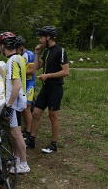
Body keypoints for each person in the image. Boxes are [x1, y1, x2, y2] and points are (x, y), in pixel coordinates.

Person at [26, 26, 69, 154]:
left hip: (55, 88)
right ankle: (31, 140)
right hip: (45, 88)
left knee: (52, 116)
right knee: (35, 114)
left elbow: (66, 71)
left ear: (48, 37)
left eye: (41, 37)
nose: (40, 40)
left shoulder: (60, 51)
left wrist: (48, 76)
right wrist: (37, 53)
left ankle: (53, 144)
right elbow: (37, 67)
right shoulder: (46, 51)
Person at [0, 32, 30, 173]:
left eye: (0, 46)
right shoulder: (17, 58)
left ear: (3, 46)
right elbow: (7, 78)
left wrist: (9, 106)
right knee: (16, 132)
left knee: (16, 133)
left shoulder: (13, 61)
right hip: (18, 101)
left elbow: (17, 85)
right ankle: (18, 159)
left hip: (15, 103)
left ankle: (24, 164)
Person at [15, 36, 36, 140]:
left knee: (27, 107)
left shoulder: (29, 55)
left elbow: (32, 70)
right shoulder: (19, 55)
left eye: (17, 48)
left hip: (29, 84)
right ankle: (27, 128)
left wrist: (18, 72)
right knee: (23, 107)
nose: (16, 51)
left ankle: (29, 131)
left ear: (22, 47)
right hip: (22, 83)